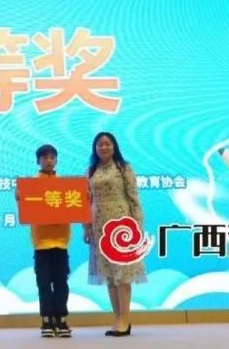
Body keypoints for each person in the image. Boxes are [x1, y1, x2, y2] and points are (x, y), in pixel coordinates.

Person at [84, 132, 147, 337]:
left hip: (122, 226)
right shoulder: (90, 171)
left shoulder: (123, 168)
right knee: (109, 275)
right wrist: (86, 227)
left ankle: (125, 320)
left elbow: (134, 198)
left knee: (123, 273)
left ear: (114, 146)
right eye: (100, 144)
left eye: (107, 144)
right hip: (99, 226)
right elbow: (85, 201)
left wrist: (137, 225)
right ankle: (117, 319)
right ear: (95, 148)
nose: (103, 147)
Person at [21, 144, 72, 338]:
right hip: (41, 243)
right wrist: (21, 199)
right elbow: (27, 211)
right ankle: (47, 320)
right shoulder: (31, 185)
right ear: (38, 161)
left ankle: (61, 319)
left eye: (52, 157)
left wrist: (84, 199)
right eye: (45, 157)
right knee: (43, 284)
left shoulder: (66, 186)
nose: (49, 161)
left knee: (61, 283)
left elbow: (75, 207)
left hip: (61, 242)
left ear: (56, 160)